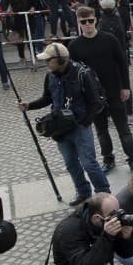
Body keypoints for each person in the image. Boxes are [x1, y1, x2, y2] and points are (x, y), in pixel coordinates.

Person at [18, 42, 111, 206]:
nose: (46, 63)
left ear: (60, 60)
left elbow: (96, 102)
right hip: (60, 128)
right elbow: (47, 98)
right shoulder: (50, 76)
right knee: (71, 163)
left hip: (80, 127)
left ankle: (104, 194)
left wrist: (84, 122)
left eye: (48, 60)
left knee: (89, 163)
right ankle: (83, 192)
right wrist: (29, 105)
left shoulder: (82, 74)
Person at [69, 6, 133, 173]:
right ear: (78, 23)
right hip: (92, 96)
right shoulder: (74, 45)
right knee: (101, 130)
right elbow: (73, 74)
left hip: (114, 90)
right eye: (83, 22)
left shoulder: (109, 39)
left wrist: (126, 87)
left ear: (96, 19)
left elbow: (123, 64)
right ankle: (108, 159)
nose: (87, 24)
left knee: (123, 128)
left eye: (90, 21)